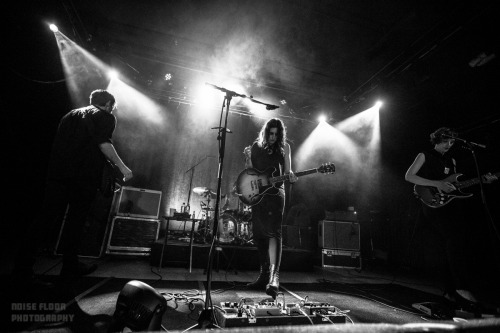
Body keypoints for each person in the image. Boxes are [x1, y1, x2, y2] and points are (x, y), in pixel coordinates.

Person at [13, 89, 133, 284]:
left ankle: (22, 268)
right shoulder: (106, 117)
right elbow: (104, 143)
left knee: (44, 220)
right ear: (109, 105)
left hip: (57, 175)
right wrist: (123, 167)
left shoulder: (70, 115)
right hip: (83, 178)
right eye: (112, 107)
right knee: (75, 223)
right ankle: (69, 267)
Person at [405, 127, 496, 307]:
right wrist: (436, 183)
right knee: (453, 240)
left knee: (455, 241)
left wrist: (482, 180)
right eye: (445, 141)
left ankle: (451, 290)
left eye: (452, 142)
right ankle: (459, 287)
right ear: (437, 139)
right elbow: (409, 176)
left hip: (448, 204)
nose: (449, 145)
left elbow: (455, 184)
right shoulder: (424, 155)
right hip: (431, 201)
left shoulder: (451, 160)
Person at [243, 118, 297, 298]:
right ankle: (263, 275)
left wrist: (290, 175)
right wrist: (248, 158)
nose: (273, 137)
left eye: (276, 134)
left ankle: (275, 277)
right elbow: (250, 172)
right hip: (259, 195)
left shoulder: (285, 147)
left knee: (274, 233)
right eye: (271, 133)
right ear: (266, 132)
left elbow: (288, 170)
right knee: (259, 234)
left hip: (276, 193)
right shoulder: (256, 147)